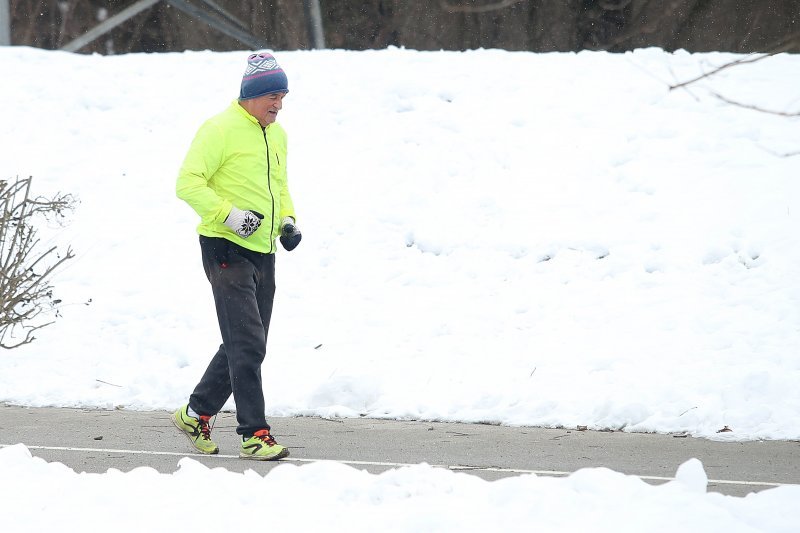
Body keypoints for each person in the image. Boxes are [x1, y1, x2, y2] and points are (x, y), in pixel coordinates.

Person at [172, 52, 302, 461]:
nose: (278, 104)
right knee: (246, 343)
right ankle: (254, 433)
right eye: (271, 96)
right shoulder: (219, 129)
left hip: (263, 249)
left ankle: (196, 413)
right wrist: (230, 215)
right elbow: (187, 183)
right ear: (251, 95)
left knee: (247, 341)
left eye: (282, 96)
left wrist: (289, 220)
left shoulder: (276, 135)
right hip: (225, 247)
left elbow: (279, 186)